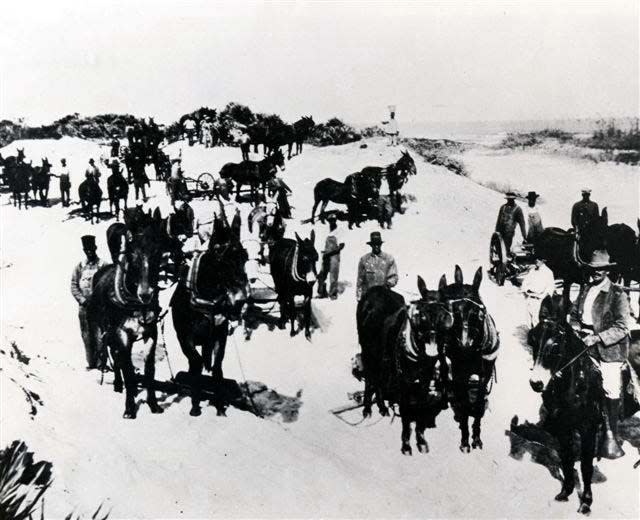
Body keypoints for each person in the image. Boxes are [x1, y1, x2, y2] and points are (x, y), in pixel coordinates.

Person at [569, 249, 630, 459]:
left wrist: (597, 338)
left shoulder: (617, 294)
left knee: (609, 385)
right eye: (592, 269)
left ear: (607, 271)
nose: (594, 273)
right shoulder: (586, 289)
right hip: (582, 341)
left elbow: (622, 327)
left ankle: (610, 434)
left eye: (599, 270)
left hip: (608, 348)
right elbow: (574, 313)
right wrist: (576, 328)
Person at [70, 235, 109, 370]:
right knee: (86, 335)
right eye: (87, 250)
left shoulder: (103, 265)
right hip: (84, 308)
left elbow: (109, 283)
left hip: (99, 308)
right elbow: (74, 285)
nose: (89, 252)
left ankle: (101, 364)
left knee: (100, 335)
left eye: (91, 249)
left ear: (95, 248)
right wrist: (82, 300)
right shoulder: (80, 267)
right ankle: (91, 363)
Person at [356, 232, 398, 301]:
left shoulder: (389, 259)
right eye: (374, 244)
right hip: (368, 297)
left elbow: (394, 276)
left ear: (381, 244)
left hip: (384, 296)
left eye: (378, 244)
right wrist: (359, 297)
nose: (376, 246)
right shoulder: (364, 259)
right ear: (371, 245)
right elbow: (360, 280)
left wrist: (388, 284)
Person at [521, 258, 555, 327]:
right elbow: (525, 282)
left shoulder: (548, 272)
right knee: (528, 320)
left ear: (543, 260)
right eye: (536, 258)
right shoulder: (532, 271)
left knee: (536, 321)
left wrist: (542, 297)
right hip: (529, 297)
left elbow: (550, 287)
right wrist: (525, 291)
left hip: (539, 300)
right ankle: (530, 334)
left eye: (539, 259)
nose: (536, 260)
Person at [317, 214, 345, 299]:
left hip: (334, 255)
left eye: (333, 220)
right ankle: (322, 292)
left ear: (336, 220)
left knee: (333, 275)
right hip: (325, 254)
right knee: (322, 274)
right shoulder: (326, 230)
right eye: (330, 221)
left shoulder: (339, 231)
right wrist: (323, 254)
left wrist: (329, 253)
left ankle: (333, 293)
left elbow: (341, 246)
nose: (332, 222)